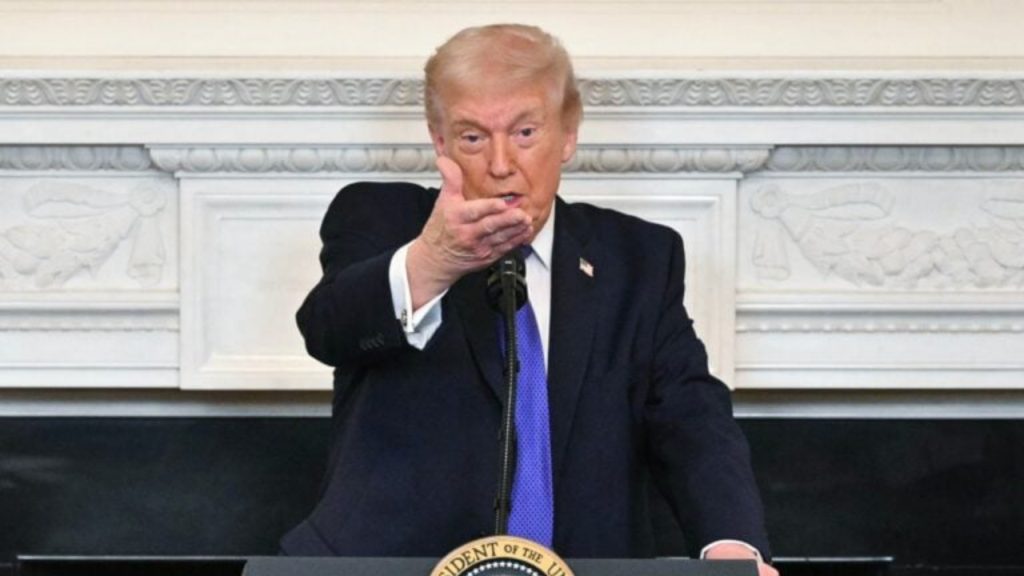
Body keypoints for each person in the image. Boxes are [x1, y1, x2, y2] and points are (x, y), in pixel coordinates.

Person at [281, 23, 776, 575]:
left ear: (568, 133)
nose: (499, 164)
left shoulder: (638, 258)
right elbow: (328, 329)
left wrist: (731, 548)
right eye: (472, 137)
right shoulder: (383, 219)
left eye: (524, 133)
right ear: (439, 141)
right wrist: (434, 262)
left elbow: (690, 416)